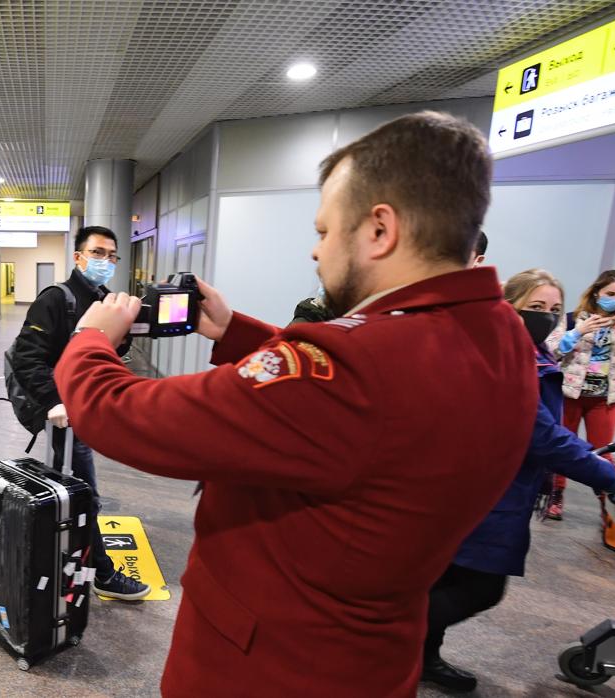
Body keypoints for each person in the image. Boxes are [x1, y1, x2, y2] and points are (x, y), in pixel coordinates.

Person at [53, 112, 538, 695]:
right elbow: (360, 413)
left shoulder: (354, 368)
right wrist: (237, 334)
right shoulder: (500, 335)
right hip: (371, 657)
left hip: (266, 666)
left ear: (380, 230)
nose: (316, 252)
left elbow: (123, 414)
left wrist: (89, 341)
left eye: (325, 231)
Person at [421, 269, 615, 692]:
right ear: (506, 305)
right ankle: (384, 637)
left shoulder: (522, 350)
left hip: (488, 485)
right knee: (479, 587)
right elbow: (544, 436)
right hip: (484, 491)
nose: (547, 317)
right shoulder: (510, 357)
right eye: (535, 307)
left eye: (555, 309)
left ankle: (421, 656)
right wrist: (609, 477)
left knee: (451, 579)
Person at [7, 225, 151, 601]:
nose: (105, 261)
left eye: (112, 255)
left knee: (71, 492)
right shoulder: (57, 299)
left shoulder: (104, 299)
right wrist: (53, 401)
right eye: (98, 253)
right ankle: (102, 573)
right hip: (64, 418)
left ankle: (60, 556)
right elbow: (27, 357)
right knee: (83, 493)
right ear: (79, 257)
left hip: (86, 411)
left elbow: (108, 353)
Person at [545, 270, 615, 535]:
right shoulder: (573, 318)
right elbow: (551, 349)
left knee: (605, 452)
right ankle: (556, 495)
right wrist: (577, 332)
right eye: (610, 294)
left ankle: (610, 507)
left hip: (604, 399)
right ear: (596, 292)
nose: (614, 300)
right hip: (570, 393)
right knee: (562, 448)